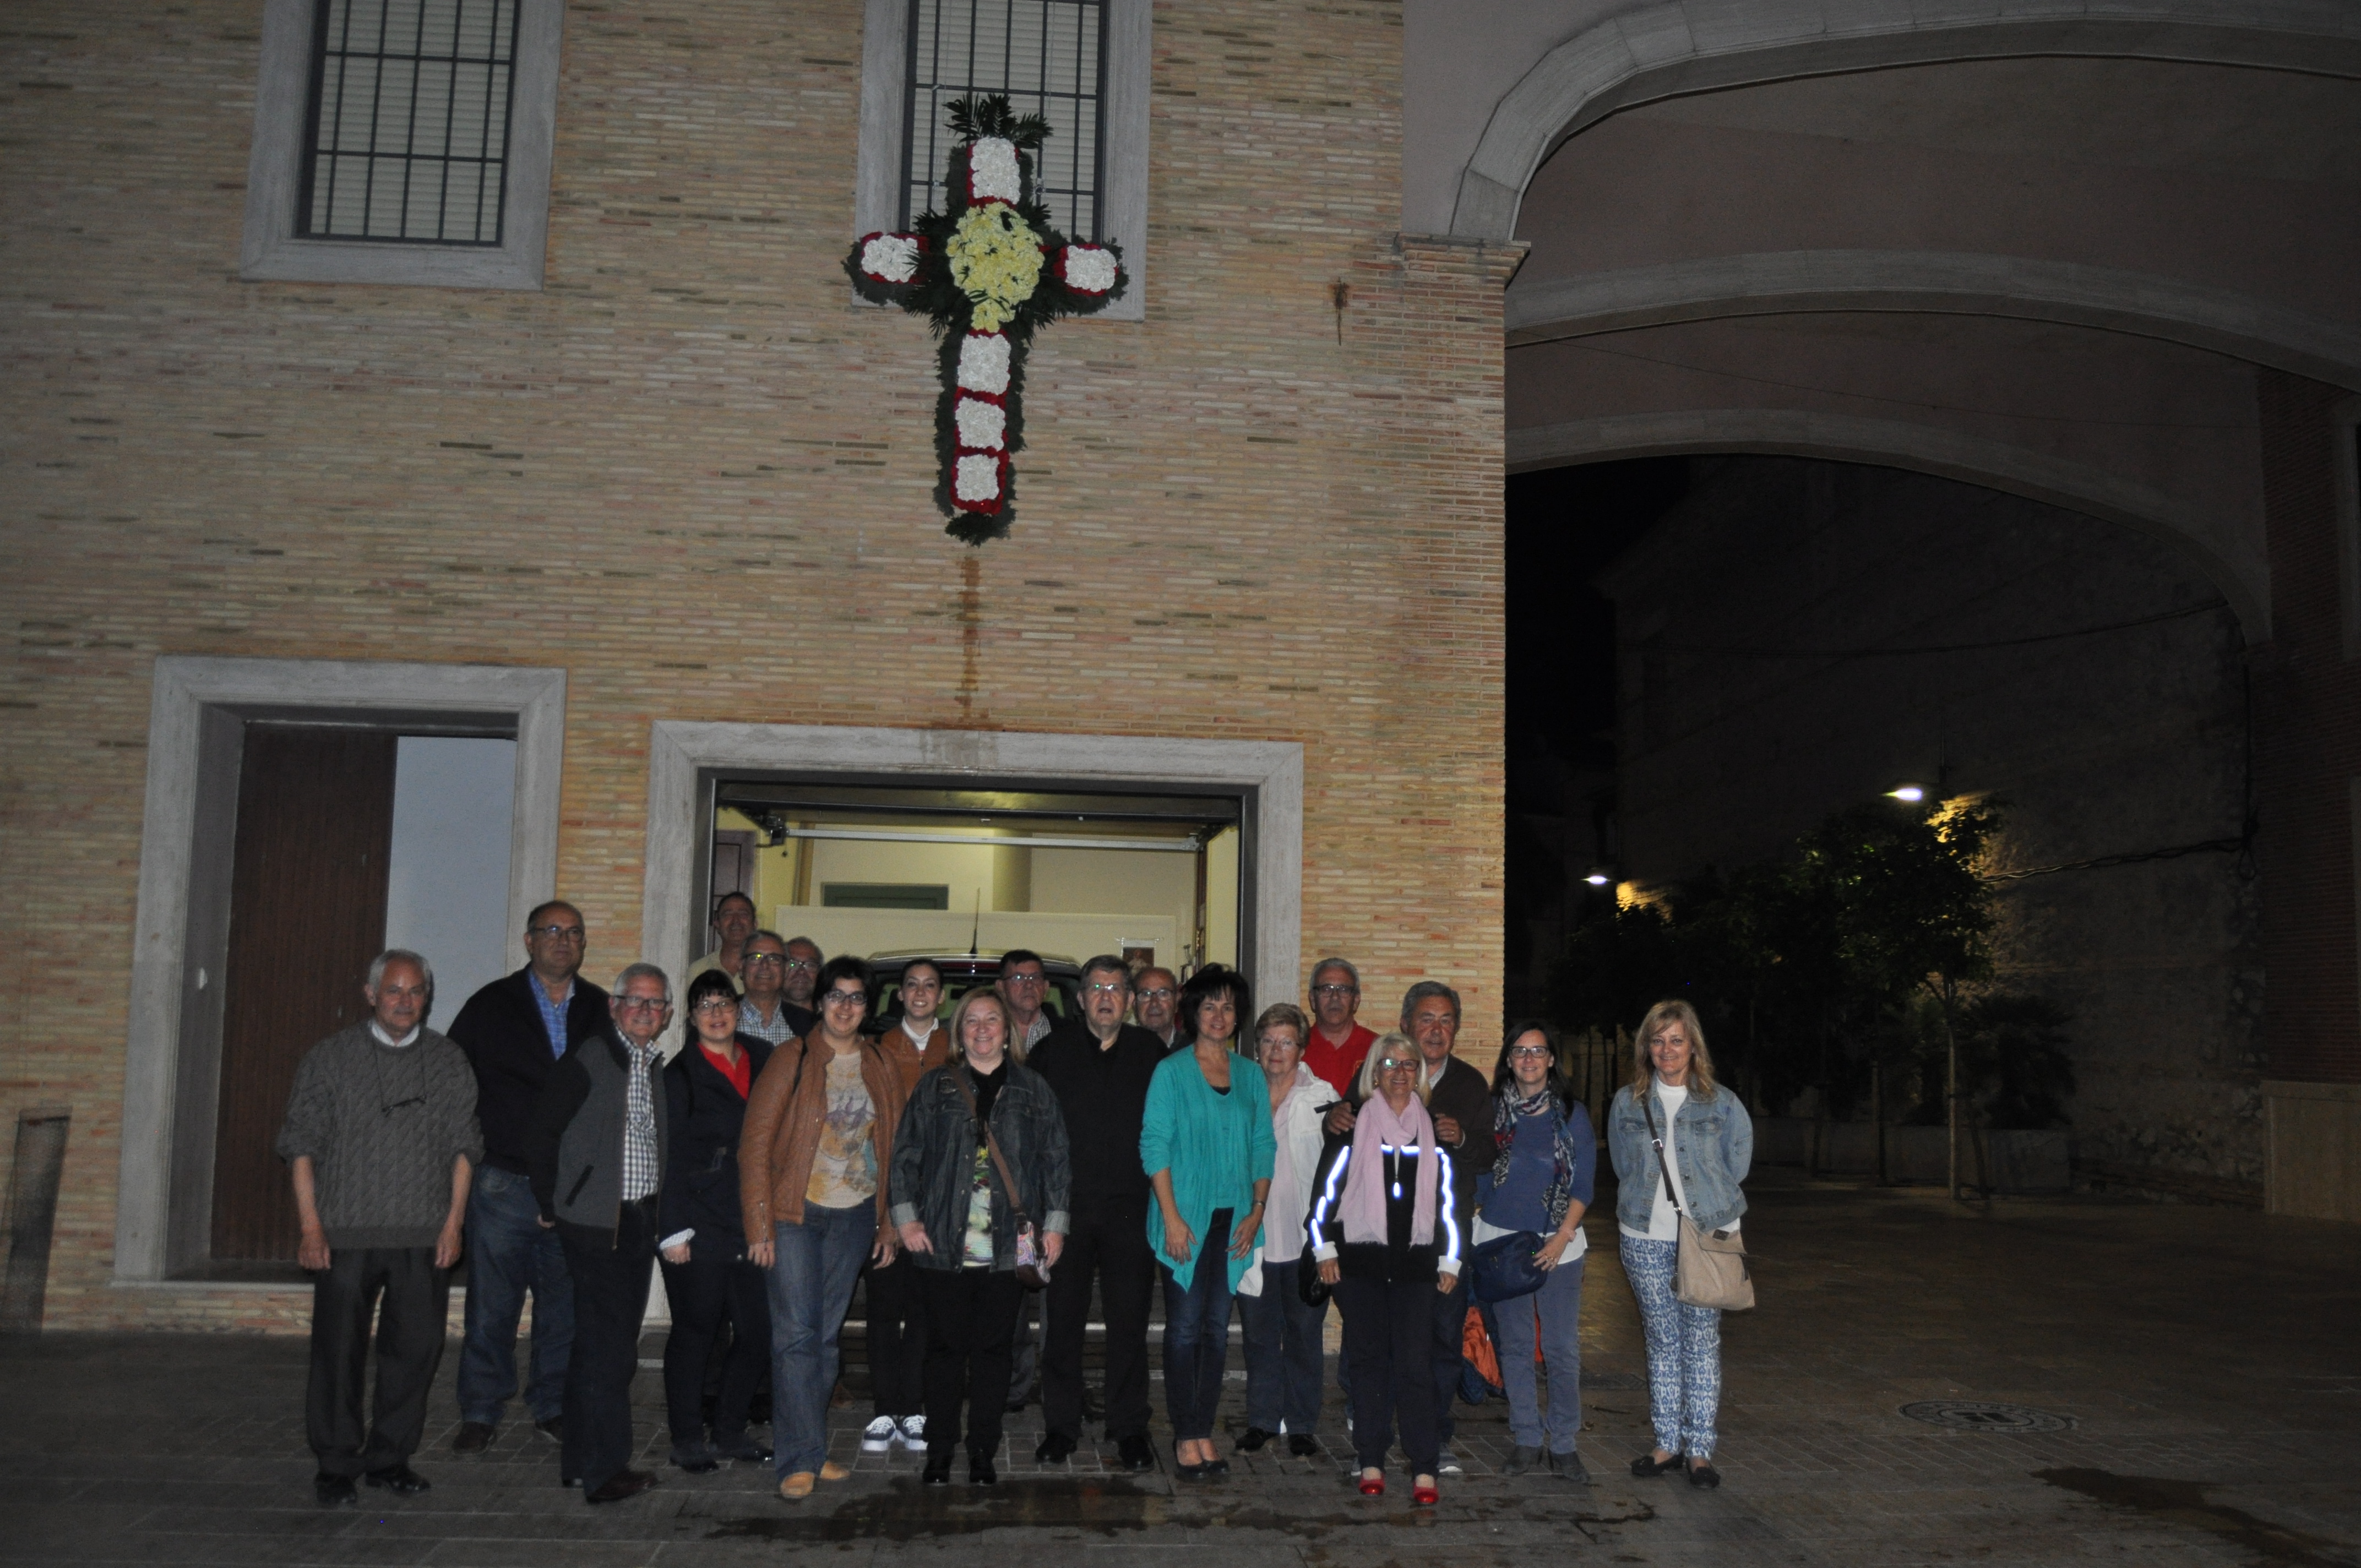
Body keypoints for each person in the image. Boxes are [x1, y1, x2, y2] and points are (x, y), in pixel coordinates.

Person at [276, 950, 481, 1506]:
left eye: (415, 991)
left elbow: (465, 1148)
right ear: (371, 995)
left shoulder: (447, 1060)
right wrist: (311, 1227)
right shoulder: (330, 1058)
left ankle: (391, 1457)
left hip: (423, 1234)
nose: (405, 1001)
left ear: (427, 997)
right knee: (337, 1354)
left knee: (414, 1353)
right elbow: (300, 1144)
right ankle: (336, 1463)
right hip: (344, 1232)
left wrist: (454, 1223)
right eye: (394, 990)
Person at [738, 956, 909, 1501]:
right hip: (795, 1216)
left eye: (856, 998)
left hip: (855, 1215)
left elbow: (895, 1150)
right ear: (819, 1001)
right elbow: (755, 1146)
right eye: (836, 995)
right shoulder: (792, 1057)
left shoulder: (879, 1064)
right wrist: (759, 1225)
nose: (845, 1006)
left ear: (867, 1006)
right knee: (795, 1336)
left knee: (826, 1338)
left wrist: (888, 1225)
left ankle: (812, 1450)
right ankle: (795, 1457)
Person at [888, 989, 1071, 1486]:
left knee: (994, 1353)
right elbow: (905, 1156)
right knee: (944, 1353)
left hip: (1007, 1249)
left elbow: (1056, 1158)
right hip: (943, 1247)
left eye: (993, 1019)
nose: (984, 1027)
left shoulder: (1032, 1088)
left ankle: (983, 1450)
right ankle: (940, 1451)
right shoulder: (935, 1089)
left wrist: (1055, 1225)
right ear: (959, 1030)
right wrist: (906, 1220)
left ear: (1007, 1030)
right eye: (973, 1020)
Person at [446, 900, 608, 1455]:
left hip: (573, 1189)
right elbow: (453, 1084)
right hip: (503, 1183)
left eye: (574, 933)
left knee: (563, 1306)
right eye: (552, 931)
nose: (563, 941)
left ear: (583, 945)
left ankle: (552, 1405)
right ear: (529, 940)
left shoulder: (602, 1008)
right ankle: (480, 1409)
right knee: (492, 1306)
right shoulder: (491, 1005)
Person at [1324, 981, 1495, 1474]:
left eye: (1446, 1021)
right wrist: (1332, 1120)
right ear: (1405, 1025)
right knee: (1368, 1346)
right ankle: (1369, 1437)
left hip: (1435, 1243)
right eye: (1426, 1019)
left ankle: (1431, 1439)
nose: (1436, 1030)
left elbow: (1485, 1153)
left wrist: (1461, 1136)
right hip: (1368, 1247)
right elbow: (1339, 1143)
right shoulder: (1371, 1083)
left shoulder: (1467, 1085)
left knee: (1438, 1342)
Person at [524, 962, 674, 1504]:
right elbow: (542, 1132)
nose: (644, 1010)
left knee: (596, 1347)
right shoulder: (590, 1058)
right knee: (611, 1353)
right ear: (613, 1006)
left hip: (637, 1220)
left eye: (655, 1003)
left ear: (667, 1016)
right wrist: (552, 1202)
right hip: (593, 1224)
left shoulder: (651, 1064)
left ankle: (579, 1462)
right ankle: (604, 1470)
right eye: (634, 999)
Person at [1308, 1032, 1460, 1507]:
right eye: (1389, 1063)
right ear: (1374, 1073)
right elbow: (1323, 1200)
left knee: (1416, 1365)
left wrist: (1451, 1258)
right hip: (1359, 1266)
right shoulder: (1351, 1128)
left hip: (1417, 1269)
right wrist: (1324, 1251)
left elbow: (1447, 1208)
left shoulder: (1434, 1132)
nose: (1399, 1072)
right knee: (1369, 1363)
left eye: (1409, 1064)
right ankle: (1371, 1458)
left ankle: (1424, 1466)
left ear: (1420, 1074)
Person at [1026, 956, 1165, 1471]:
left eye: (1116, 988)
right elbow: (1031, 1134)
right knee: (1062, 1324)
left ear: (1128, 1001)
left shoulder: (1152, 1053)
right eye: (1096, 988)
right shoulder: (1051, 1052)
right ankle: (1061, 1427)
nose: (1106, 996)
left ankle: (1129, 1427)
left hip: (1132, 1210)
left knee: (1129, 1325)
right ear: (1080, 999)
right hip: (1067, 1213)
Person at [1609, 1000, 1751, 1491]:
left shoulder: (1724, 1103)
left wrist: (1708, 1211)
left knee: (1702, 1344)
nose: (1667, 1049)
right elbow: (1624, 1166)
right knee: (1663, 1342)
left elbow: (1738, 1165)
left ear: (1694, 1046)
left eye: (1676, 1040)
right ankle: (1667, 1442)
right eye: (1658, 1040)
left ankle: (1701, 1452)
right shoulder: (1628, 1102)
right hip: (1644, 1236)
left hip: (1707, 1240)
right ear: (1646, 1048)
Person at [1141, 965, 1274, 1479]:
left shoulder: (1249, 1074)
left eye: (1228, 1007)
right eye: (1209, 1006)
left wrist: (1257, 1210)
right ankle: (1184, 1435)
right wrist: (1171, 1218)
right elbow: (1154, 1146)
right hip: (1186, 1221)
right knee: (1184, 1330)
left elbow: (1264, 1145)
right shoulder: (1171, 1072)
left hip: (1236, 1222)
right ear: (1193, 1013)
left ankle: (1203, 1428)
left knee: (1218, 1331)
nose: (1219, 1016)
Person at [655, 970, 775, 1474]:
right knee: (696, 1332)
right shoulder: (679, 1075)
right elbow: (669, 1156)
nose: (717, 1013)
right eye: (705, 1006)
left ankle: (729, 1430)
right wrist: (674, 1230)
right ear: (691, 1017)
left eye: (724, 1002)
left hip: (751, 1217)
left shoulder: (764, 1059)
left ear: (738, 1008)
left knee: (755, 1332)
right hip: (697, 1222)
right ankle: (686, 1437)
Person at [1479, 1020, 1596, 1482]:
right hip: (1503, 1245)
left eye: (1538, 1051)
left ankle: (1564, 1444)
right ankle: (1527, 1438)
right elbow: (1475, 1172)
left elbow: (1583, 1183)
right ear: (1509, 1061)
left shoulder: (1572, 1114)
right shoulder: (1490, 1111)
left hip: (1559, 1246)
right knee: (1516, 1346)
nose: (1529, 1059)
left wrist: (1561, 1235)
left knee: (1562, 1347)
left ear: (1551, 1060)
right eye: (1520, 1052)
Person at [1234, 1002, 1336, 1457]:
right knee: (1258, 1336)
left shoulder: (1323, 1097)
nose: (1277, 1050)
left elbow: (1339, 1168)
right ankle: (1261, 1420)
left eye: (1287, 1041)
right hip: (1251, 1237)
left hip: (1304, 1241)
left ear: (1301, 1048)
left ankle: (1300, 1424)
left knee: (1303, 1335)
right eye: (1269, 1041)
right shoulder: (1239, 1091)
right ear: (1258, 1047)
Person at [860, 959, 952, 1456]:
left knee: (924, 1312)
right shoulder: (876, 1052)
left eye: (930, 986)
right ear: (900, 996)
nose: (920, 993)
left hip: (939, 1205)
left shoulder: (955, 1049)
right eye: (911, 985)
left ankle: (915, 1407)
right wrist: (885, 1217)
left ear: (941, 997)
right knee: (882, 1309)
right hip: (883, 1200)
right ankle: (883, 1408)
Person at [993, 948, 1054, 1408]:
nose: (1027, 986)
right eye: (1017, 979)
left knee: (1055, 1294)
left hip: (1048, 1184)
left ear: (1048, 989)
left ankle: (1053, 1383)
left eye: (1035, 979)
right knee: (1008, 1300)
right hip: (1001, 1192)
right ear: (1001, 987)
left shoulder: (1067, 1040)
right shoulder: (984, 1036)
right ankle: (1012, 1387)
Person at [1302, 959, 1377, 1098]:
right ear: (1313, 1000)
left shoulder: (1377, 1048)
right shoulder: (1297, 1048)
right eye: (1326, 989)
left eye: (1343, 990)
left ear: (1356, 1001)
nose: (1335, 997)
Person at [737, 930, 814, 1047]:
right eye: (756, 957)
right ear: (741, 967)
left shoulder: (808, 1024)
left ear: (786, 969)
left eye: (774, 959)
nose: (764, 966)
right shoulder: (720, 1018)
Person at [688, 890, 759, 993]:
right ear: (717, 924)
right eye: (728, 915)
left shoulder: (765, 970)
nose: (736, 921)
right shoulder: (698, 971)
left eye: (743, 915)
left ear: (755, 924)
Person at [1134, 966, 1180, 1050]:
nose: (1154, 1003)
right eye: (1145, 994)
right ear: (1134, 1003)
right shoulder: (1119, 1051)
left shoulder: (1195, 1052)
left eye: (1163, 994)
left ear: (1177, 1001)